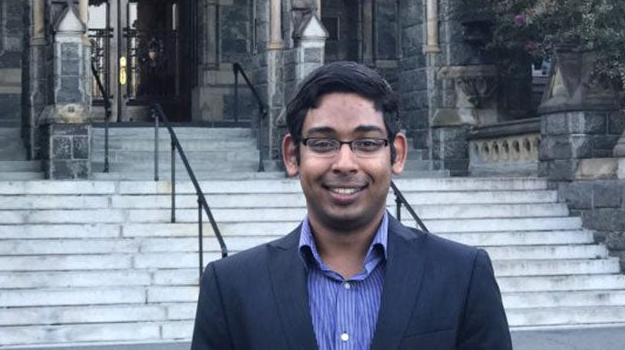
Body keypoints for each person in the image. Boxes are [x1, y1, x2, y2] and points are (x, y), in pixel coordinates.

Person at [190, 61, 512, 350]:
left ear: (397, 154)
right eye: (323, 143)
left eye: (367, 143)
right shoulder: (231, 286)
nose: (345, 163)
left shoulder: (463, 276)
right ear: (292, 156)